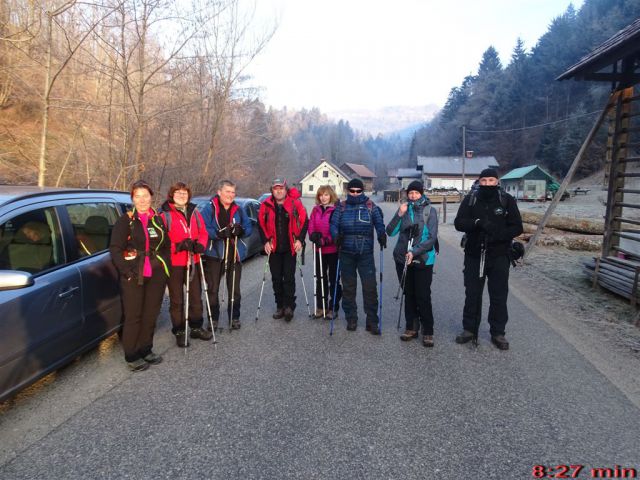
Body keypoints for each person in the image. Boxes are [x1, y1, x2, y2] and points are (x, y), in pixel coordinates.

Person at [454, 168, 523, 350]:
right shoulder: (471, 200)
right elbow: (459, 223)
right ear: (479, 181)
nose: (487, 184)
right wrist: (476, 223)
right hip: (474, 254)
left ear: (497, 182)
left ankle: (498, 332)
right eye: (483, 181)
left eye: (491, 181)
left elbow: (517, 227)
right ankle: (469, 329)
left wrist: (498, 234)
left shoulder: (506, 200)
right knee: (472, 293)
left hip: (499, 255)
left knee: (499, 295)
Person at [109, 180, 170, 371]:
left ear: (152, 197)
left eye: (146, 196)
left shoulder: (158, 219)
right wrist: (126, 272)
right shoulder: (125, 220)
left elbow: (166, 245)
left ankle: (146, 348)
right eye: (138, 196)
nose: (142, 200)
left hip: (156, 274)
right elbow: (115, 249)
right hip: (133, 274)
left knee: (151, 313)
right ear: (132, 199)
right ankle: (132, 354)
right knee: (134, 316)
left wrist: (164, 265)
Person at [329, 178, 386, 334]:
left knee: (370, 288)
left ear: (362, 191)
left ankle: (372, 321)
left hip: (365, 252)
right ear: (348, 191)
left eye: (358, 191)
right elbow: (333, 224)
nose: (354, 194)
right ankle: (351, 318)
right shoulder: (340, 207)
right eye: (352, 191)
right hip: (346, 252)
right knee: (349, 288)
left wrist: (382, 234)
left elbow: (379, 223)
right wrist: (336, 236)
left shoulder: (370, 206)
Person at [160, 182, 213, 347]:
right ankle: (180, 331)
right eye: (178, 193)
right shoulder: (165, 215)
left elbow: (203, 232)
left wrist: (201, 245)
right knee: (177, 300)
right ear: (172, 195)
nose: (182, 196)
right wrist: (178, 246)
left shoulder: (195, 213)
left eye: (184, 193)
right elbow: (161, 242)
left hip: (193, 260)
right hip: (174, 262)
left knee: (196, 296)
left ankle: (196, 327)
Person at [386, 180, 438, 347]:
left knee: (422, 295)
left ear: (421, 193)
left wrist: (414, 252)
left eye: (416, 193)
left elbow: (431, 238)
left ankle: (428, 330)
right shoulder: (404, 209)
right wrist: (399, 214)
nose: (413, 195)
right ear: (407, 194)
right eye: (410, 193)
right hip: (402, 258)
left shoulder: (430, 211)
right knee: (408, 293)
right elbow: (390, 231)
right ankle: (411, 327)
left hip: (423, 259)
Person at [201, 179, 252, 330]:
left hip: (234, 255)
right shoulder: (209, 208)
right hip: (215, 255)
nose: (230, 195)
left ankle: (234, 317)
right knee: (213, 289)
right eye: (227, 191)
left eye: (233, 192)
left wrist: (241, 230)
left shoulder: (239, 209)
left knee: (234, 289)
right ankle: (213, 319)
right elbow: (203, 228)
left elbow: (248, 227)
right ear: (219, 192)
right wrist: (218, 233)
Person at [258, 178, 308, 322]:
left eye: (281, 188)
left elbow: (305, 220)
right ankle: (280, 306)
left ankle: (289, 307)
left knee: (289, 278)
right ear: (272, 190)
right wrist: (265, 242)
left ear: (285, 190)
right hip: (274, 248)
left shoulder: (294, 203)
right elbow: (260, 224)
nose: (279, 191)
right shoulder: (266, 205)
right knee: (276, 279)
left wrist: (300, 239)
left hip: (289, 248)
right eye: (275, 188)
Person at [308, 185, 341, 319]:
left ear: (331, 195)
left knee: (333, 279)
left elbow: (337, 231)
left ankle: (333, 307)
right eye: (321, 195)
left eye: (326, 195)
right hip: (318, 249)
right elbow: (311, 226)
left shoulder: (336, 211)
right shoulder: (315, 210)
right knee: (320, 278)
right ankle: (321, 307)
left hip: (332, 250)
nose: (323, 197)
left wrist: (326, 240)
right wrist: (313, 236)